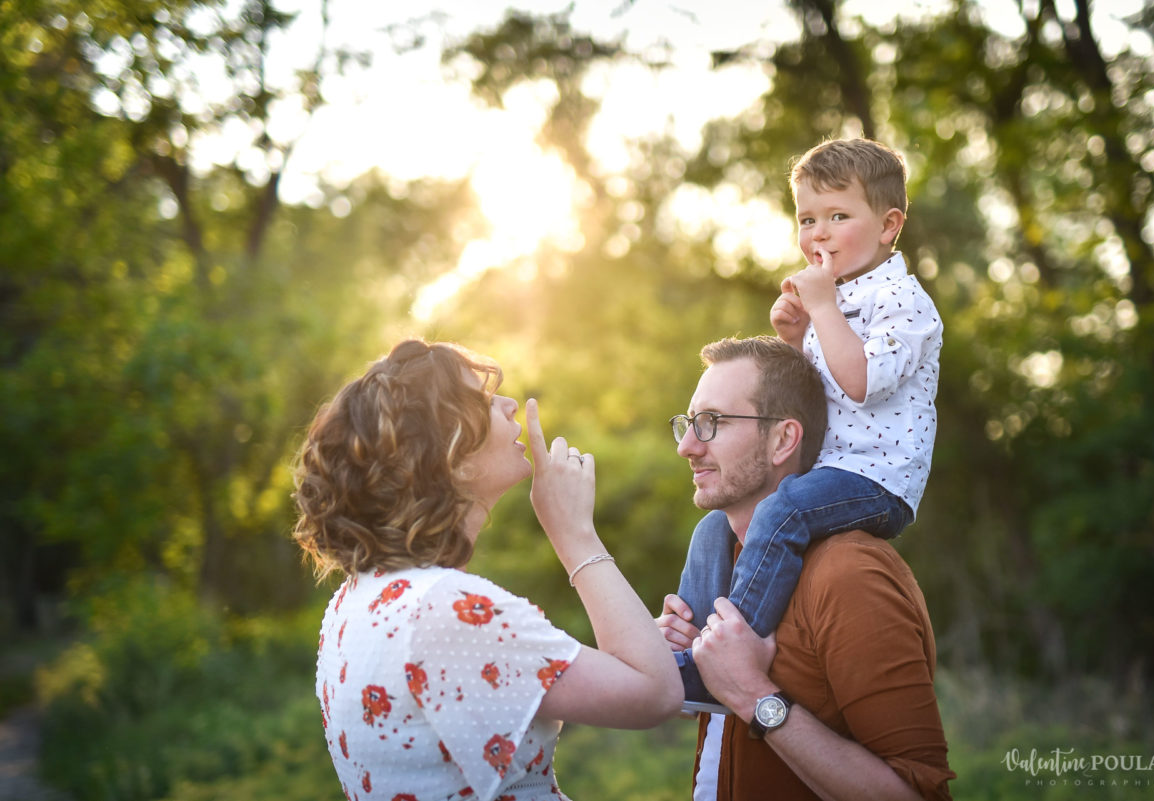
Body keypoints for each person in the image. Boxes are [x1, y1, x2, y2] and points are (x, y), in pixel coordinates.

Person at [292, 339, 682, 801]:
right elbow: (655, 694)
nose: (510, 403)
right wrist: (573, 532)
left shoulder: (358, 600)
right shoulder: (449, 611)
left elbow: (608, 672)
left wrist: (636, 642)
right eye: (481, 401)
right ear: (450, 456)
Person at [673, 138, 944, 703]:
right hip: (830, 467)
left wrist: (821, 309)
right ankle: (695, 656)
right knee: (713, 528)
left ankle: (734, 649)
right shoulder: (837, 297)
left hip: (877, 478)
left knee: (782, 510)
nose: (818, 233)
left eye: (838, 216)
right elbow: (805, 396)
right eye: (807, 219)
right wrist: (795, 339)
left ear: (889, 225)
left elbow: (861, 382)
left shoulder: (904, 302)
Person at [658, 335, 954, 800]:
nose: (688, 447)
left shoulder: (848, 574)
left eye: (712, 422)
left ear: (782, 440)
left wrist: (754, 696)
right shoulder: (722, 560)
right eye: (690, 423)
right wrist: (692, 656)